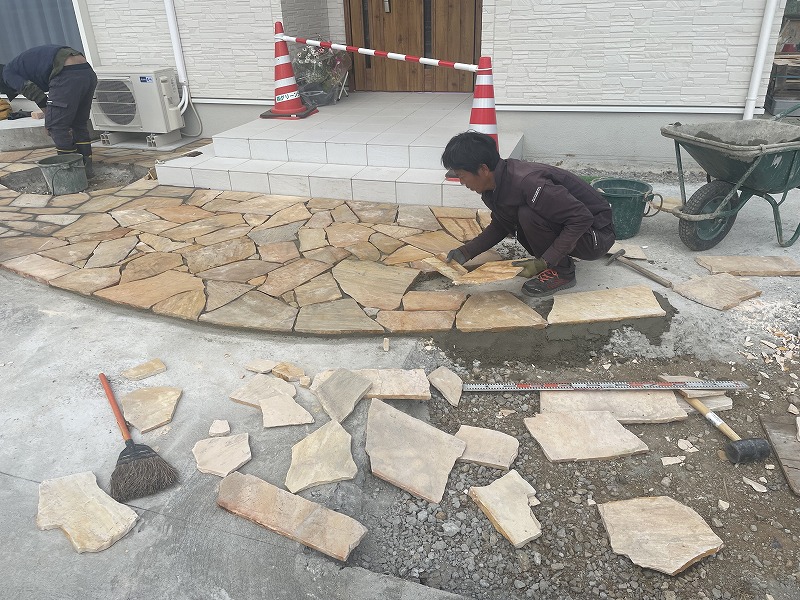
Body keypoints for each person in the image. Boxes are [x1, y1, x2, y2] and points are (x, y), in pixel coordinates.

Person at [442, 131, 616, 297]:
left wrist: (544, 262)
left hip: (597, 236)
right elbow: (500, 225)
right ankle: (555, 262)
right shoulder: (494, 187)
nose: (462, 182)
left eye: (462, 176)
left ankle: (562, 272)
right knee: (523, 215)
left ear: (483, 169)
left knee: (527, 215)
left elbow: (581, 218)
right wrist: (466, 252)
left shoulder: (530, 183)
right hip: (582, 230)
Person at [1, 45, 98, 178]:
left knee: (56, 127)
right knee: (78, 123)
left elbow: (33, 91)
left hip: (66, 73)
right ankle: (87, 170)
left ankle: (72, 176)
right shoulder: (20, 65)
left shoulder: (7, 74)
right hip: (86, 72)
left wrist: (50, 119)